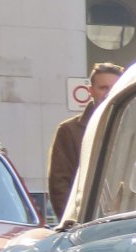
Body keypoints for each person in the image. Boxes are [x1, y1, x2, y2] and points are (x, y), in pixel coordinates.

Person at [47, 62, 122, 220]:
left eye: (114, 88)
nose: (108, 94)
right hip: (86, 224)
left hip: (127, 221)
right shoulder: (69, 131)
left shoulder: (133, 128)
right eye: (103, 88)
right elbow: (59, 186)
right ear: (91, 91)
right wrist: (72, 224)